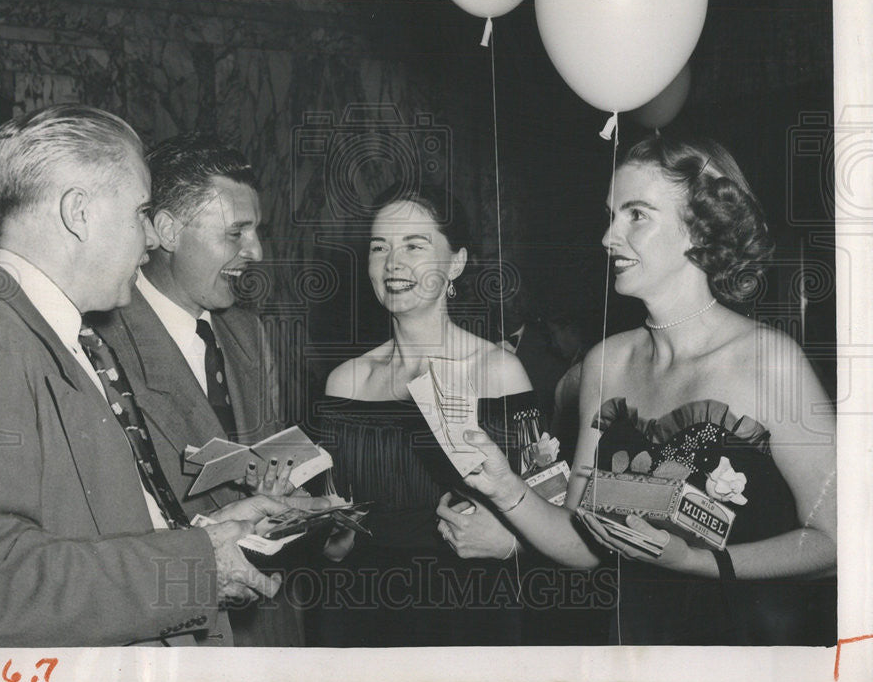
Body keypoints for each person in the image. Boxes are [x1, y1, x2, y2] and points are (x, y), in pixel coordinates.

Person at [0, 105, 317, 647]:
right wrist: (199, 570)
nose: (151, 240)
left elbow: (96, 527)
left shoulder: (62, 334)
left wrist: (214, 533)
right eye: (140, 214)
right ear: (79, 213)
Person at [438, 136, 837, 645]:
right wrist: (504, 488)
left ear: (700, 226)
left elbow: (839, 543)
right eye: (611, 214)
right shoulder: (606, 362)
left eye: (636, 215)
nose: (608, 237)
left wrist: (698, 562)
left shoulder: (768, 361)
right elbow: (584, 543)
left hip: (748, 651)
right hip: (636, 649)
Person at [90, 132, 313, 646]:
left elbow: (275, 460)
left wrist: (309, 506)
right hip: (180, 634)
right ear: (167, 230)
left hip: (268, 624)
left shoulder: (247, 332)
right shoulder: (100, 344)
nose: (255, 251)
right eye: (236, 233)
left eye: (257, 232)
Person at [311, 184, 536, 646]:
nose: (393, 263)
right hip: (359, 611)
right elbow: (336, 539)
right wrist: (317, 531)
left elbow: (548, 513)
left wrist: (513, 545)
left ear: (455, 262)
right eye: (380, 247)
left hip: (469, 608)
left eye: (415, 245)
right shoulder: (345, 381)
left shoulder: (498, 370)